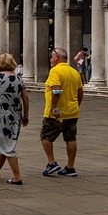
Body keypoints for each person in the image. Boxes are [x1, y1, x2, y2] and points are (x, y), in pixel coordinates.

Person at [0, 53, 28, 184]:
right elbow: (25, 97)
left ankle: (17, 176)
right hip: (15, 116)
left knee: (8, 147)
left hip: (0, 116)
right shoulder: (19, 79)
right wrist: (26, 115)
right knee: (4, 143)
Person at [40, 47, 83, 177]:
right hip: (72, 111)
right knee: (70, 138)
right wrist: (77, 104)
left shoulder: (55, 71)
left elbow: (56, 90)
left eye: (51, 57)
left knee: (45, 137)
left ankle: (51, 163)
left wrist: (54, 107)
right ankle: (70, 167)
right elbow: (80, 91)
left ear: (57, 57)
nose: (50, 59)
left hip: (56, 113)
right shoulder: (74, 72)